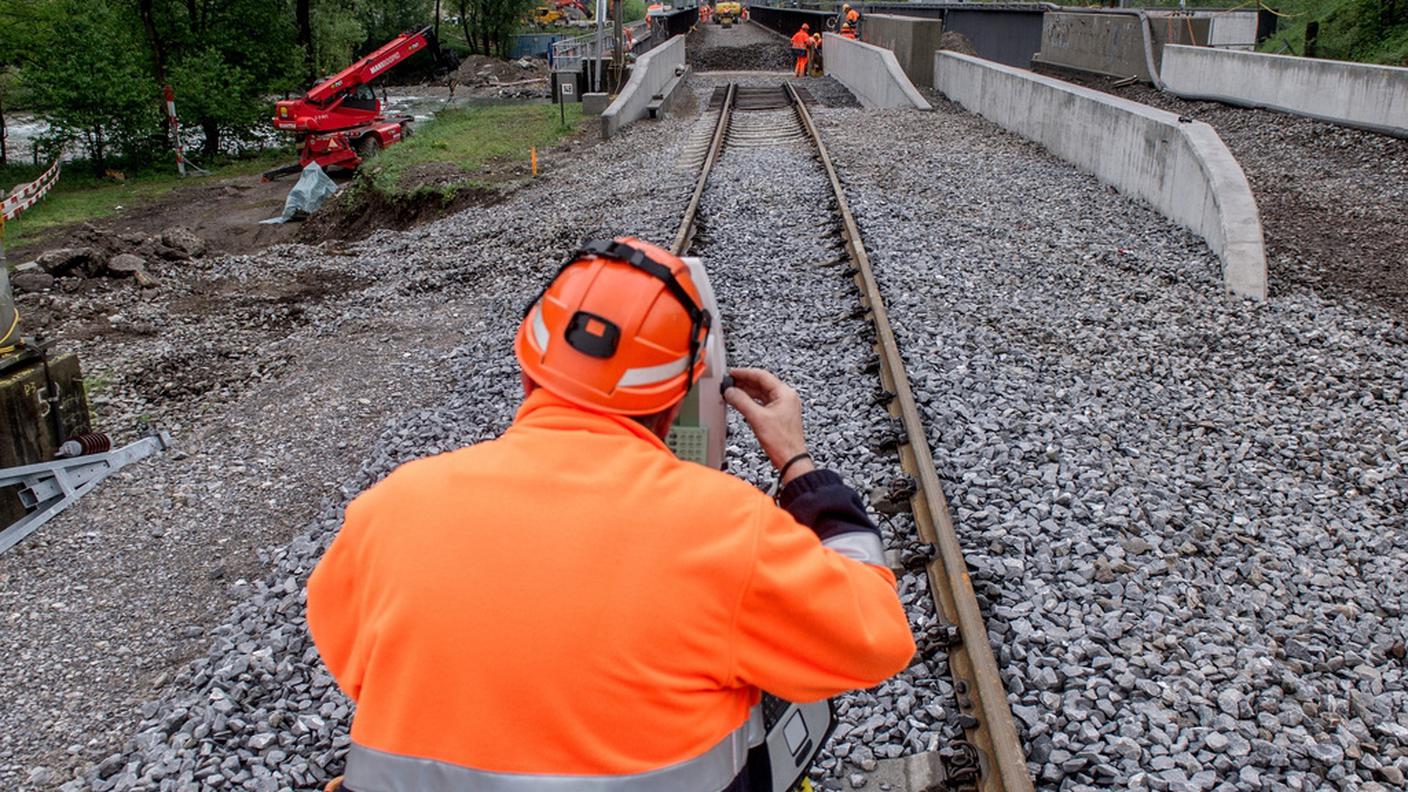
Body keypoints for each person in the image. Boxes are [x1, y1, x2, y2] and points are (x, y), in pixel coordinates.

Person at [308, 237, 916, 792]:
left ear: (527, 369)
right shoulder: (725, 528)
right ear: (681, 399)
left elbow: (353, 663)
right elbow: (877, 638)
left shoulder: (389, 508)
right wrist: (798, 465)